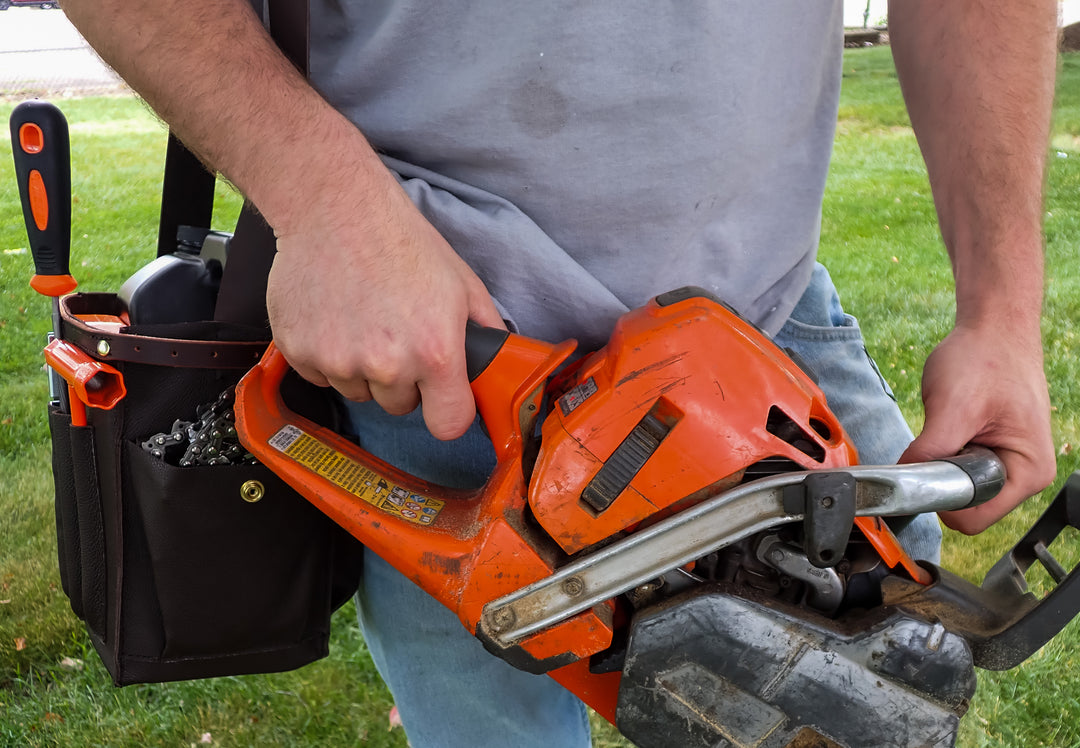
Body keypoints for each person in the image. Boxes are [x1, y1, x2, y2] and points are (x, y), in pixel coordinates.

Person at [62, 1, 1059, 745]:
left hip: (761, 317)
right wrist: (323, 203)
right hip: (435, 345)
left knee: (881, 692)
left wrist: (1003, 308)